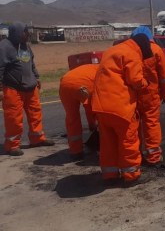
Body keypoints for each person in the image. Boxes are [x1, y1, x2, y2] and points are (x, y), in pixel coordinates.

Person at [91, 33, 151, 186]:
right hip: (120, 106)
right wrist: (145, 84)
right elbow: (136, 80)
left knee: (108, 143)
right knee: (128, 140)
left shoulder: (112, 51)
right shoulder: (132, 54)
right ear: (142, 47)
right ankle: (131, 176)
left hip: (100, 106)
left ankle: (109, 174)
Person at [0, 22, 54, 156]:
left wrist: (37, 77)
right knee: (14, 119)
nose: (28, 34)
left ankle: (37, 139)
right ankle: (12, 146)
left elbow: (31, 63)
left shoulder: (25, 46)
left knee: (35, 114)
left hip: (31, 87)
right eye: (25, 32)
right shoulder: (4, 47)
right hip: (13, 88)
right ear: (17, 32)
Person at [130, 26, 165, 166]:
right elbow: (164, 76)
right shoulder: (156, 50)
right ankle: (153, 157)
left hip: (132, 95)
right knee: (151, 124)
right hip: (151, 94)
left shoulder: (130, 50)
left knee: (134, 126)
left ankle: (135, 155)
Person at [58, 63, 99, 158]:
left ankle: (75, 151)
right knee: (95, 111)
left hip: (64, 84)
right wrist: (93, 126)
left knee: (72, 118)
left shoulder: (91, 67)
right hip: (82, 85)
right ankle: (100, 143)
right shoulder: (104, 71)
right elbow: (92, 110)